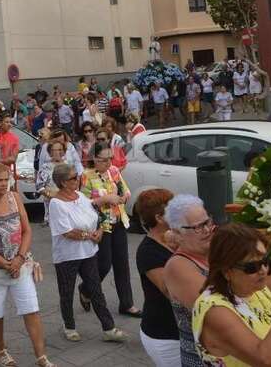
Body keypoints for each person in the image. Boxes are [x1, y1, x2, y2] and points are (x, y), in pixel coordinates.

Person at [193, 223, 271, 367]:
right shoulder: (215, 311)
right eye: (251, 267)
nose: (263, 270)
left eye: (265, 261)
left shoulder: (255, 288)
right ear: (226, 271)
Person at [0, 162, 55, 367]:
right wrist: (6, 264)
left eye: (6, 179)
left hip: (20, 266)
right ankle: (1, 351)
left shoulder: (15, 198)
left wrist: (19, 258)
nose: (4, 183)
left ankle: (41, 356)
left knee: (31, 309)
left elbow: (27, 230)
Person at [48, 163, 125, 343]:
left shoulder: (81, 196)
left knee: (96, 290)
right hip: (67, 256)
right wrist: (90, 236)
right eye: (73, 177)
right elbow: (67, 232)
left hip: (88, 253)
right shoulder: (56, 204)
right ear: (63, 182)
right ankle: (69, 326)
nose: (78, 179)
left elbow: (95, 215)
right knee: (66, 293)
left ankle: (109, 328)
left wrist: (99, 230)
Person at [78, 143, 141, 317]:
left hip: (118, 220)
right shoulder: (86, 176)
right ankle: (86, 288)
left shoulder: (114, 171)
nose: (108, 163)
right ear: (94, 159)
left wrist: (124, 196)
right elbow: (83, 204)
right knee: (104, 264)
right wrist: (104, 199)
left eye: (110, 159)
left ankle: (127, 304)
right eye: (104, 160)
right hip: (101, 224)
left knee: (122, 264)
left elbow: (125, 190)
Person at [162, 195, 213, 366]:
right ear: (178, 233)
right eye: (197, 227)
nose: (207, 230)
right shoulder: (178, 267)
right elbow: (212, 312)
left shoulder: (209, 252)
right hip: (201, 359)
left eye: (207, 222)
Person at [135, 189, 179, 367]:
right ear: (159, 218)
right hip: (165, 335)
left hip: (180, 329)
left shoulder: (176, 238)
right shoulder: (148, 251)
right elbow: (171, 292)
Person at [36, 140, 67, 226]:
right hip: (52, 206)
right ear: (50, 152)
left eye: (60, 149)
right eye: (54, 150)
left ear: (64, 151)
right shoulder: (45, 167)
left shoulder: (69, 166)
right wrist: (51, 195)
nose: (58, 152)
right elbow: (39, 186)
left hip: (67, 205)